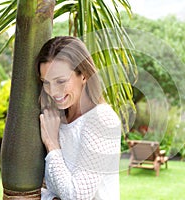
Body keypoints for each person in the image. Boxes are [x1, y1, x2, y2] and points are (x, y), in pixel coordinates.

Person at [36, 36, 121, 200]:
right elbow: (48, 186)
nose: (53, 91)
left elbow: (77, 195)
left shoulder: (101, 119)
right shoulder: (56, 119)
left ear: (83, 75)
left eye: (60, 81)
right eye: (46, 83)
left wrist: (52, 144)